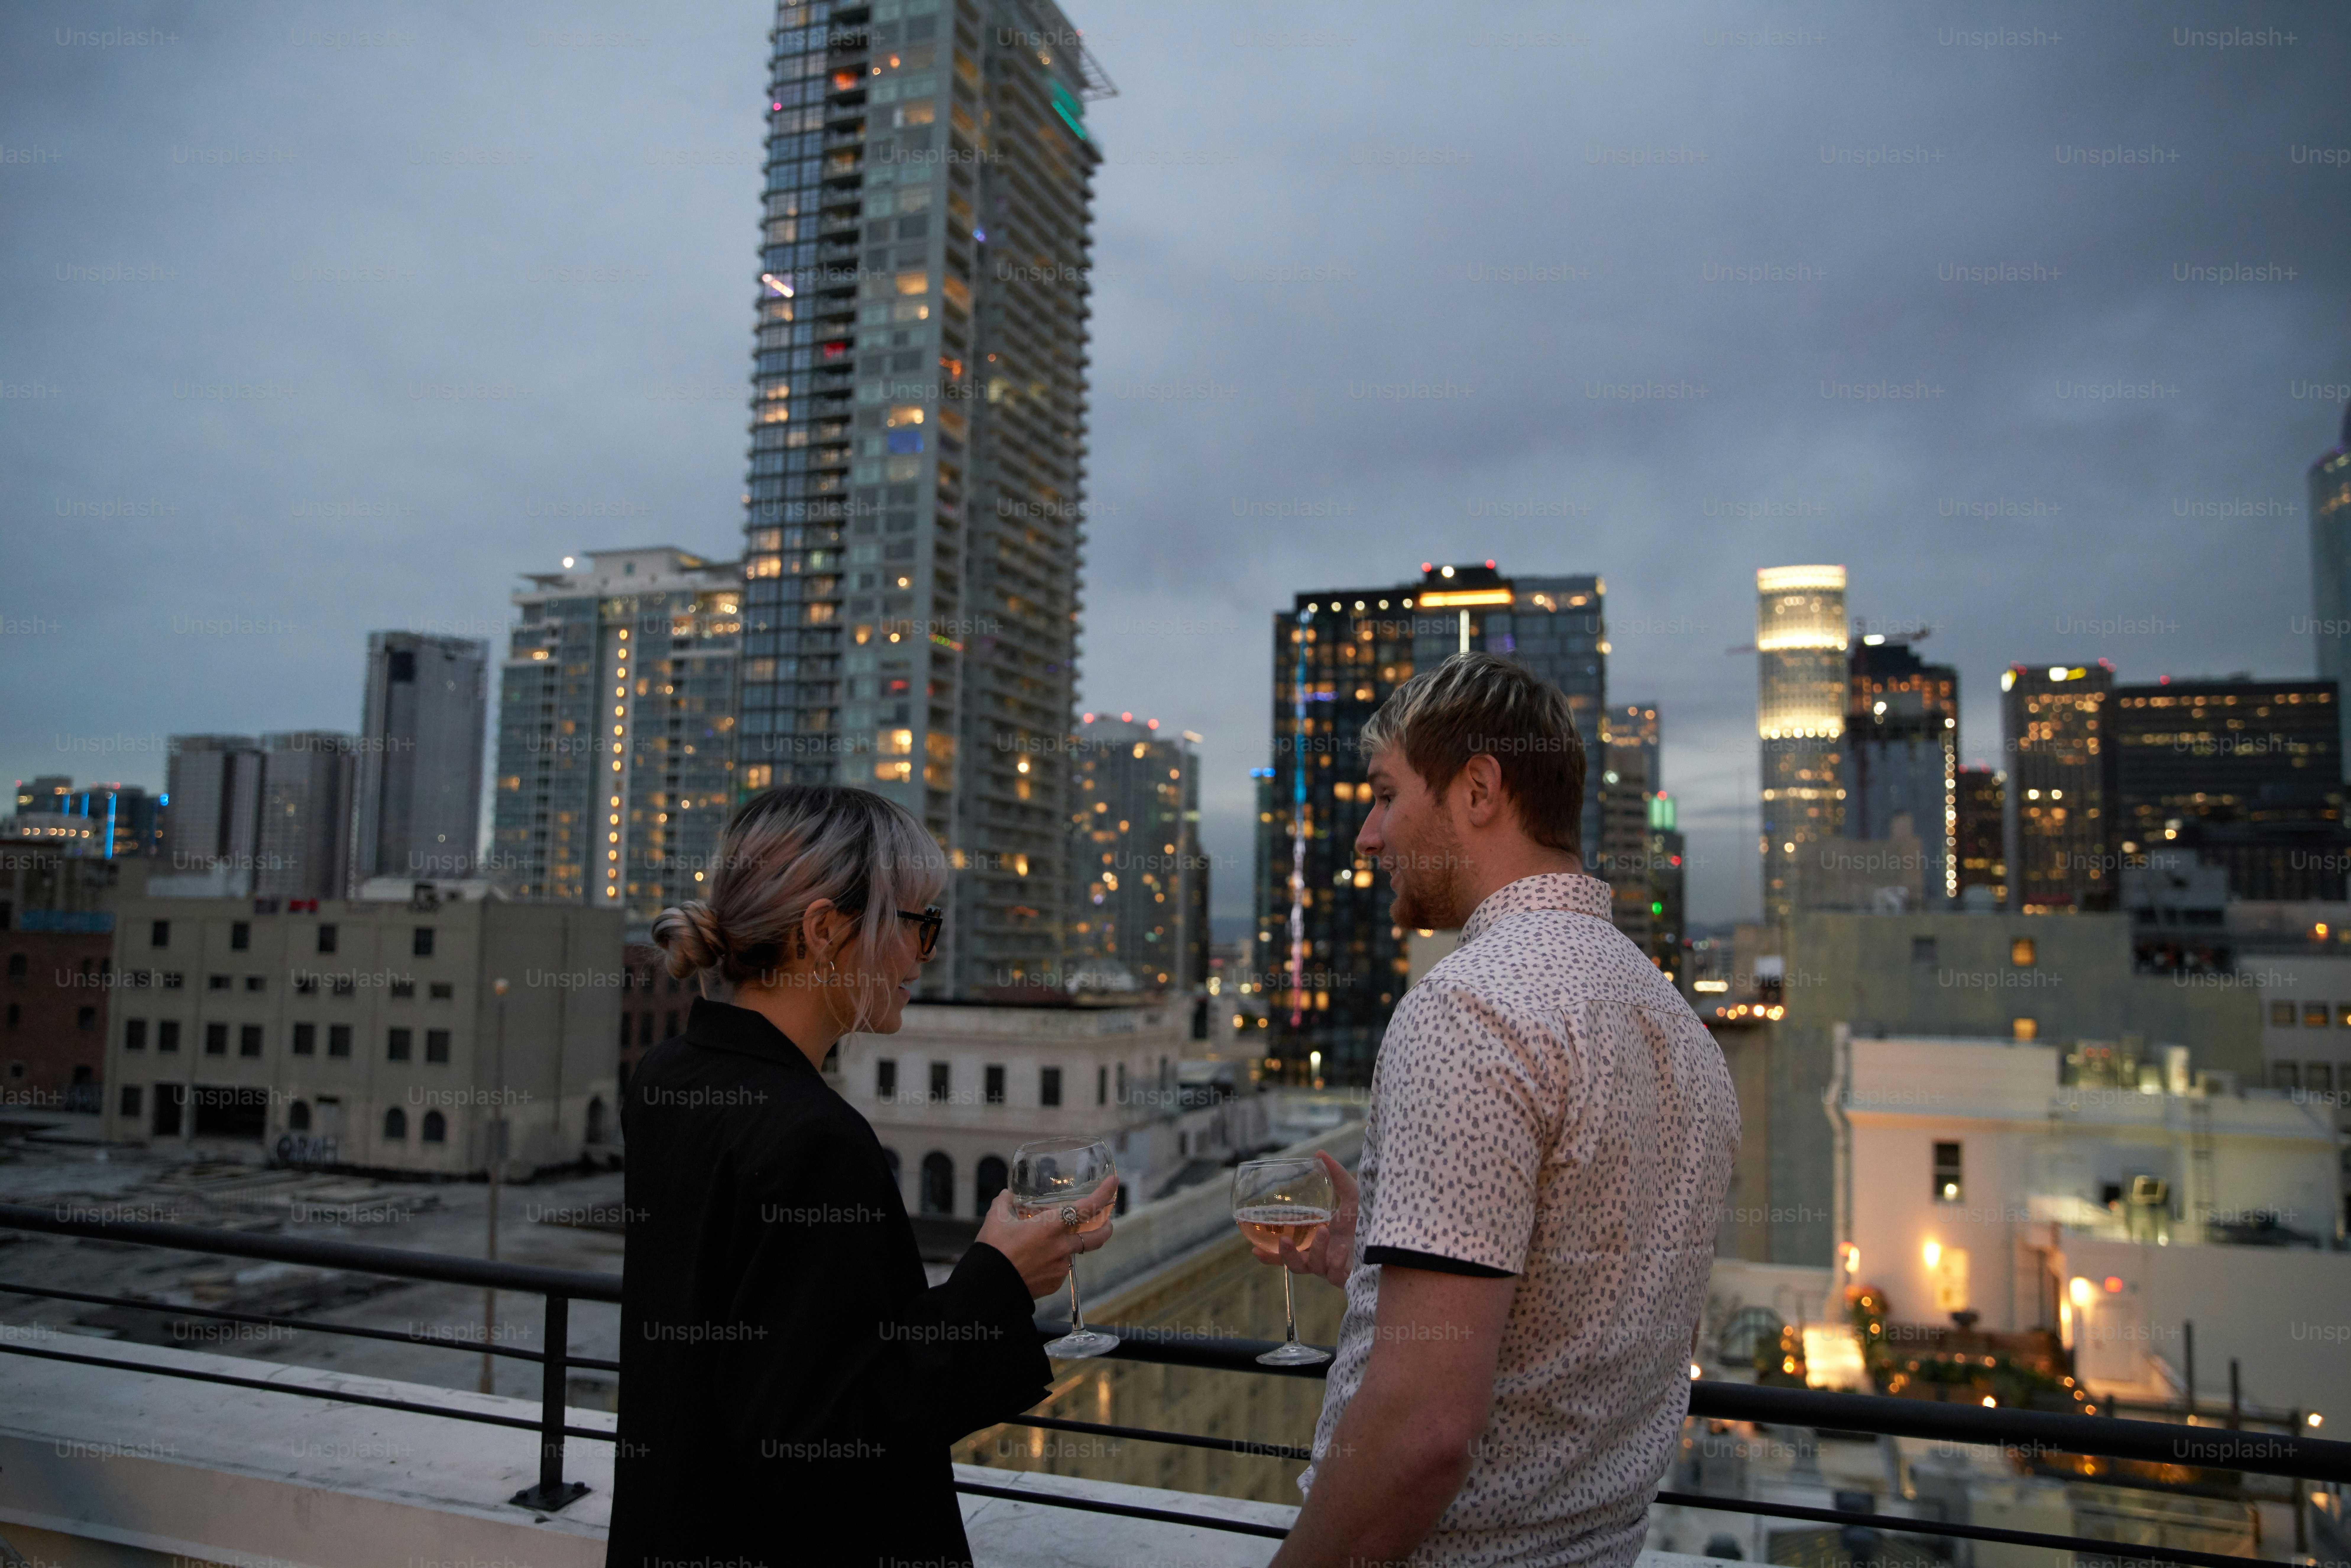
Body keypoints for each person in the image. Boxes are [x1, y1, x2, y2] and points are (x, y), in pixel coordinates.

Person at [1257, 652, 1740, 1568]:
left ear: (1479, 788)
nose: (1368, 836)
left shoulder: (1469, 1011)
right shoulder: (1676, 1025)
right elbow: (1576, 1303)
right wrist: (1377, 1257)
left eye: (1387, 795)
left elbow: (1426, 1430)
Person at [605, 785, 1111, 1568]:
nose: (923, 954)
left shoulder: (671, 1074)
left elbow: (754, 1375)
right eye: (917, 924)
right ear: (824, 930)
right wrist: (1001, 1281)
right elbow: (822, 1437)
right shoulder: (815, 1138)